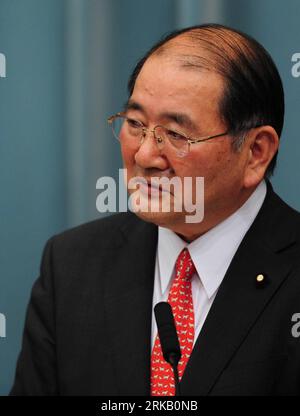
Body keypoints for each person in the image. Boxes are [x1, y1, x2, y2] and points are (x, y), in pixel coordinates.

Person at [10, 23, 300, 396]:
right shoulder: (71, 266)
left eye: (176, 135)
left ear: (255, 152)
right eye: (135, 124)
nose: (145, 155)